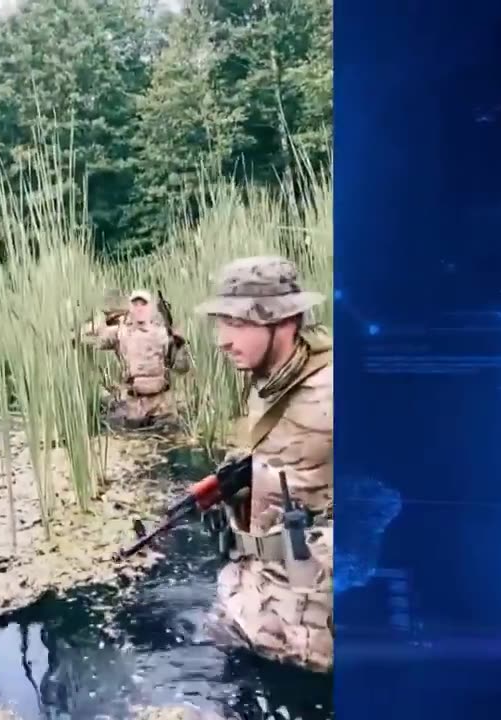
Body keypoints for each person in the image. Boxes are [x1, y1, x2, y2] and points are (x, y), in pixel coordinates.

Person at [193, 255, 333, 673]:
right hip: (249, 600)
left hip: (311, 637)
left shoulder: (335, 389)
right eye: (221, 322)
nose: (222, 339)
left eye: (238, 324)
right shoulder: (268, 384)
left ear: (285, 322)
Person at [79, 289, 189, 429]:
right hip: (135, 406)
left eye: (143, 304)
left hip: (161, 404)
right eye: (135, 304)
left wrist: (178, 345)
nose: (139, 308)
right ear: (129, 308)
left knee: (166, 439)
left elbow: (182, 368)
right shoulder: (120, 333)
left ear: (150, 309)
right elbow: (90, 339)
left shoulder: (164, 334)